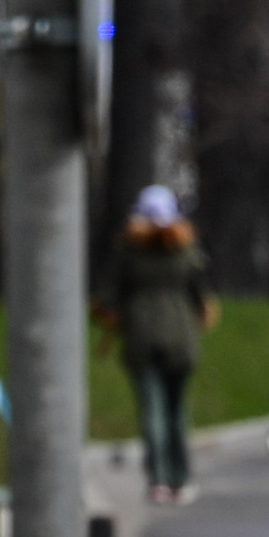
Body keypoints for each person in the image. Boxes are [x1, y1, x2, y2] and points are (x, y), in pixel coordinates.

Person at [99, 184, 216, 503]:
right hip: (181, 337)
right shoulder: (186, 250)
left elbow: (109, 298)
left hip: (140, 336)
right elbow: (201, 295)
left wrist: (111, 317)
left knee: (152, 410)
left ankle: (159, 480)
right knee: (177, 411)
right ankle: (180, 478)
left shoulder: (128, 252)